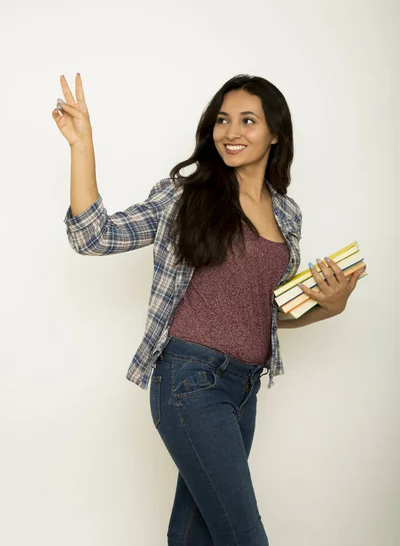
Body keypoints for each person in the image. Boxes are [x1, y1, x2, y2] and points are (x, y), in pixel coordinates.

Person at [53, 73, 366, 546]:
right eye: (223, 120)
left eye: (247, 120)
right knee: (243, 536)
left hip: (244, 390)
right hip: (189, 382)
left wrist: (332, 306)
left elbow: (266, 313)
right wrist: (82, 145)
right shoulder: (186, 195)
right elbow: (94, 237)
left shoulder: (287, 214)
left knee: (196, 533)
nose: (231, 132)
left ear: (275, 133)